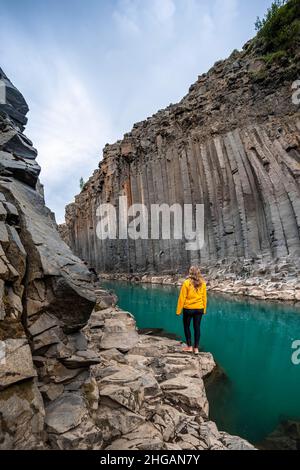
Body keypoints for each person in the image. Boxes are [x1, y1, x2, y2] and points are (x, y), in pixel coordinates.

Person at [176, 266, 207, 355]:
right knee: (197, 327)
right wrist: (204, 309)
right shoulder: (203, 283)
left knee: (187, 326)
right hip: (199, 309)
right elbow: (204, 298)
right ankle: (196, 348)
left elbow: (182, 298)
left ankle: (189, 347)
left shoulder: (186, 283)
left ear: (190, 273)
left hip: (188, 309)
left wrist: (178, 311)